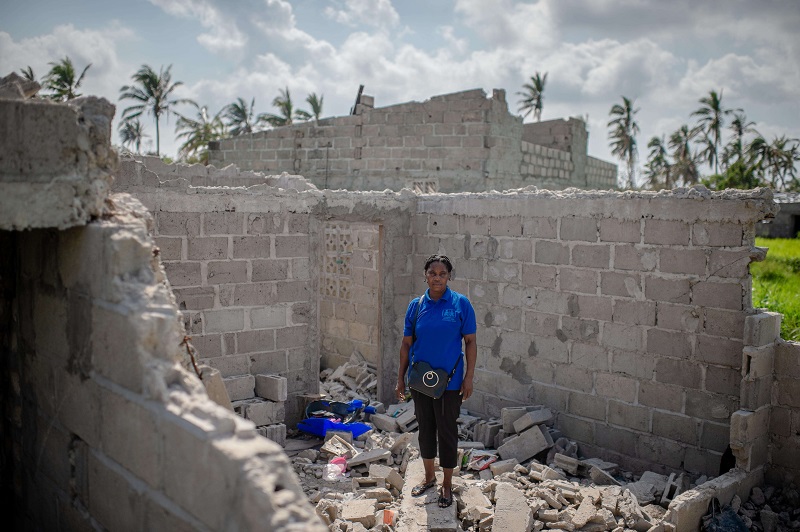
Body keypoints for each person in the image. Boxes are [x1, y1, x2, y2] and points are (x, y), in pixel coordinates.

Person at [395, 254, 477, 509]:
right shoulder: (416, 306)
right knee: (426, 430)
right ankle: (430, 477)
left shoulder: (461, 304)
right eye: (433, 273)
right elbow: (407, 344)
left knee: (447, 432)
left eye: (442, 274)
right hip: (420, 382)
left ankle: (447, 484)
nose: (437, 278)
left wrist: (469, 377)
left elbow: (471, 342)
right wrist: (400, 377)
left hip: (450, 383)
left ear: (449, 277)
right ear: (425, 275)